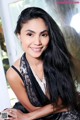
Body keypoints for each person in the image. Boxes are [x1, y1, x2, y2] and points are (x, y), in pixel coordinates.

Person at [5, 7, 80, 120]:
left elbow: (69, 101)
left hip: (63, 113)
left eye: (43, 34)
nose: (37, 42)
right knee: (4, 115)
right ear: (19, 35)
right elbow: (34, 110)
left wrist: (28, 117)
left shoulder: (59, 58)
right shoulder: (14, 74)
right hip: (38, 114)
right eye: (30, 34)